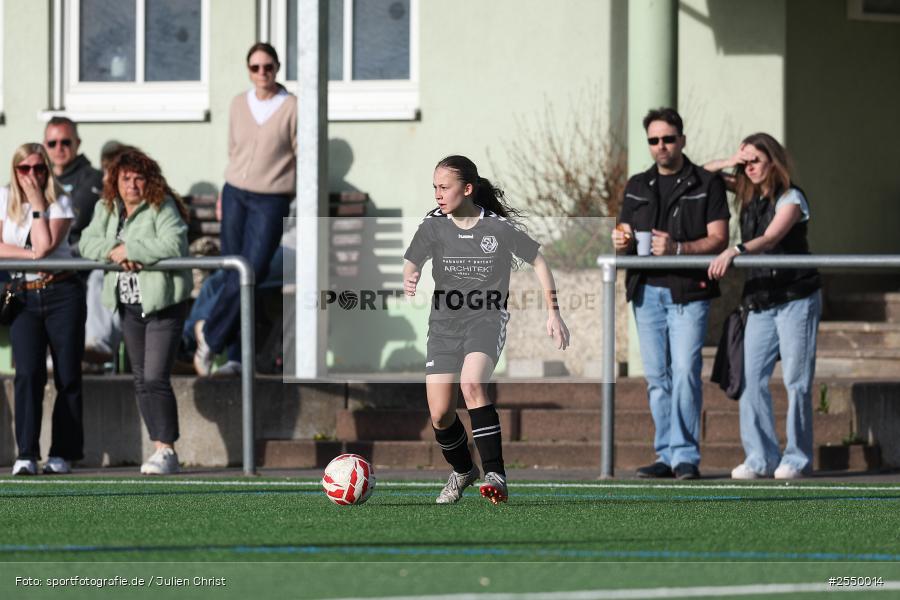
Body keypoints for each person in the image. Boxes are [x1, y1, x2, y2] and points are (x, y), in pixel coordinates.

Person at [403, 155, 570, 505]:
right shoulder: (434, 223)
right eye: (434, 187)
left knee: (472, 383)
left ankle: (496, 473)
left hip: (486, 319)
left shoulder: (496, 227)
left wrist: (553, 312)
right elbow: (412, 257)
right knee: (440, 413)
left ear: (467, 189)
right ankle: (464, 470)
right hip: (444, 325)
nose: (437, 194)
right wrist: (412, 273)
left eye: (444, 187)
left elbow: (539, 260)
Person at [611, 108, 730, 480]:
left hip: (689, 292)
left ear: (682, 139)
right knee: (657, 377)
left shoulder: (705, 183)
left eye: (668, 139)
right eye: (654, 140)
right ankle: (666, 452)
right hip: (646, 291)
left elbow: (719, 237)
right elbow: (625, 237)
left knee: (685, 373)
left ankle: (685, 456)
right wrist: (620, 240)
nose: (661, 146)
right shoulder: (636, 185)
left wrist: (678, 249)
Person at [706, 133, 822, 480]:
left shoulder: (791, 197)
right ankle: (760, 458)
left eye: (756, 160)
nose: (750, 168)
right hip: (759, 301)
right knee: (751, 380)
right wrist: (732, 159)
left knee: (796, 380)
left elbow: (771, 237)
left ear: (773, 161)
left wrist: (734, 250)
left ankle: (796, 458)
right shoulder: (745, 192)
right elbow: (700, 174)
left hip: (795, 299)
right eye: (746, 162)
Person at [79, 149, 192, 475]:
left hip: (163, 304)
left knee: (156, 376)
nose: (132, 185)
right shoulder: (107, 208)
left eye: (138, 178)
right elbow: (87, 243)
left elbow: (174, 244)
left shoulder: (162, 206)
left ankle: (167, 449)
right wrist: (116, 253)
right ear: (115, 180)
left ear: (150, 179)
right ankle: (160, 448)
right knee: (142, 379)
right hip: (129, 304)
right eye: (125, 178)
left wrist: (135, 251)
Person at [193, 41, 296, 376]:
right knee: (232, 272)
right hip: (235, 193)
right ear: (248, 70)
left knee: (250, 269)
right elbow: (233, 150)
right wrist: (225, 195)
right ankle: (236, 357)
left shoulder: (292, 106)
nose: (262, 73)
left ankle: (208, 336)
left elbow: (302, 155)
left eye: (268, 67)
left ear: (277, 68)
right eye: (255, 68)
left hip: (271, 197)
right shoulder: (239, 103)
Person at [0, 143, 85, 475]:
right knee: (28, 374)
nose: (32, 176)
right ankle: (26, 453)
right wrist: (31, 256)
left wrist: (37, 205)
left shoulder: (59, 201)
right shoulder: (4, 198)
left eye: (39, 169)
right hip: (24, 293)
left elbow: (47, 247)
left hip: (62, 292)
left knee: (66, 374)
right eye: (25, 169)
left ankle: (63, 452)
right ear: (15, 170)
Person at [42, 119, 119, 368]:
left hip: (81, 257)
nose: (59, 148)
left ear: (77, 143)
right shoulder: (37, 175)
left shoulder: (92, 178)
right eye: (52, 143)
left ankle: (87, 349)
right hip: (44, 257)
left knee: (90, 276)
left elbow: (75, 220)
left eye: (65, 142)